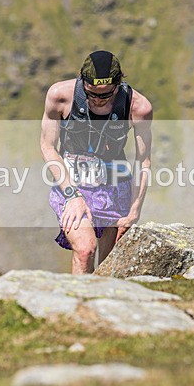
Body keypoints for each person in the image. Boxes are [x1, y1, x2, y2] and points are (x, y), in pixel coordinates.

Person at [40, 50, 152, 274]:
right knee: (85, 250)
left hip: (114, 187)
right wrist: (73, 196)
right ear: (82, 80)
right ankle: (78, 306)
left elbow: (143, 162)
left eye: (106, 95)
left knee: (109, 264)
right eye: (92, 94)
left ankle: (101, 306)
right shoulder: (60, 95)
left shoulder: (138, 107)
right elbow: (48, 147)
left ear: (119, 83)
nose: (98, 100)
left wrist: (134, 211)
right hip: (71, 182)